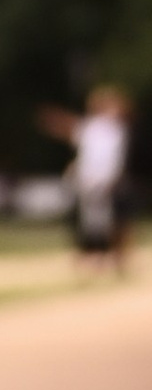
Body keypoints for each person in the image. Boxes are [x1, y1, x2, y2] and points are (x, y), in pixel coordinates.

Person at [40, 86, 130, 266]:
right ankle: (92, 254)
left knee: (106, 219)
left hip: (103, 180)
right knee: (90, 220)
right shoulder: (94, 127)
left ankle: (108, 255)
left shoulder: (114, 130)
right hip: (89, 179)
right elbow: (72, 132)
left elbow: (112, 159)